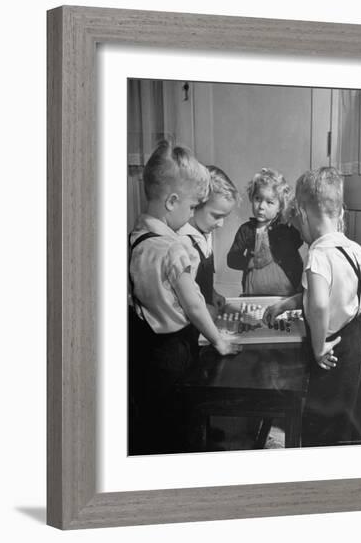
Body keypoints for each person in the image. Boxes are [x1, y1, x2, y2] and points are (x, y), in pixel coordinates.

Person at [128, 141, 240, 455]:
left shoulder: (137, 237)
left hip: (144, 347)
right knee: (181, 418)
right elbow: (192, 304)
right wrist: (218, 340)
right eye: (192, 207)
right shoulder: (174, 248)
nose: (192, 215)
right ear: (172, 201)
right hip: (173, 349)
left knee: (156, 418)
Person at [264, 167, 361, 447]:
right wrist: (288, 303)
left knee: (324, 426)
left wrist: (318, 346)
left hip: (332, 348)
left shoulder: (318, 256)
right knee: (353, 416)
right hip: (359, 342)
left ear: (302, 213)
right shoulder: (354, 249)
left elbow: (321, 304)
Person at [227, 168, 303, 296]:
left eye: (269, 202)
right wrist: (250, 262)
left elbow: (301, 238)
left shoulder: (286, 229)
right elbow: (232, 259)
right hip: (253, 292)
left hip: (285, 293)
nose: (261, 206)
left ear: (280, 207)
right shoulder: (246, 230)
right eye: (258, 199)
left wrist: (290, 215)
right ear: (251, 198)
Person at [178, 165, 239, 313]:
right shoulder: (181, 241)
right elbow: (180, 295)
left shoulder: (205, 234)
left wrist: (212, 292)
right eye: (217, 216)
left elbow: (200, 279)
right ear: (197, 204)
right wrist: (204, 310)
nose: (221, 224)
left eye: (224, 217)